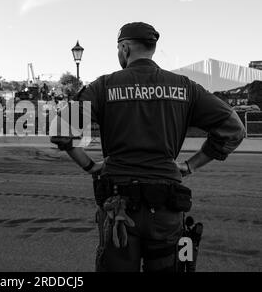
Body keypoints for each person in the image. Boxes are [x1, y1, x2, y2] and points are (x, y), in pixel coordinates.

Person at [50, 22, 246, 272]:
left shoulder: (104, 86)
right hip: (166, 208)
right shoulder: (184, 87)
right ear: (152, 49)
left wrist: (90, 165)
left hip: (119, 206)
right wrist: (189, 165)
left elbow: (60, 130)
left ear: (124, 47)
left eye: (119, 49)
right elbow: (234, 129)